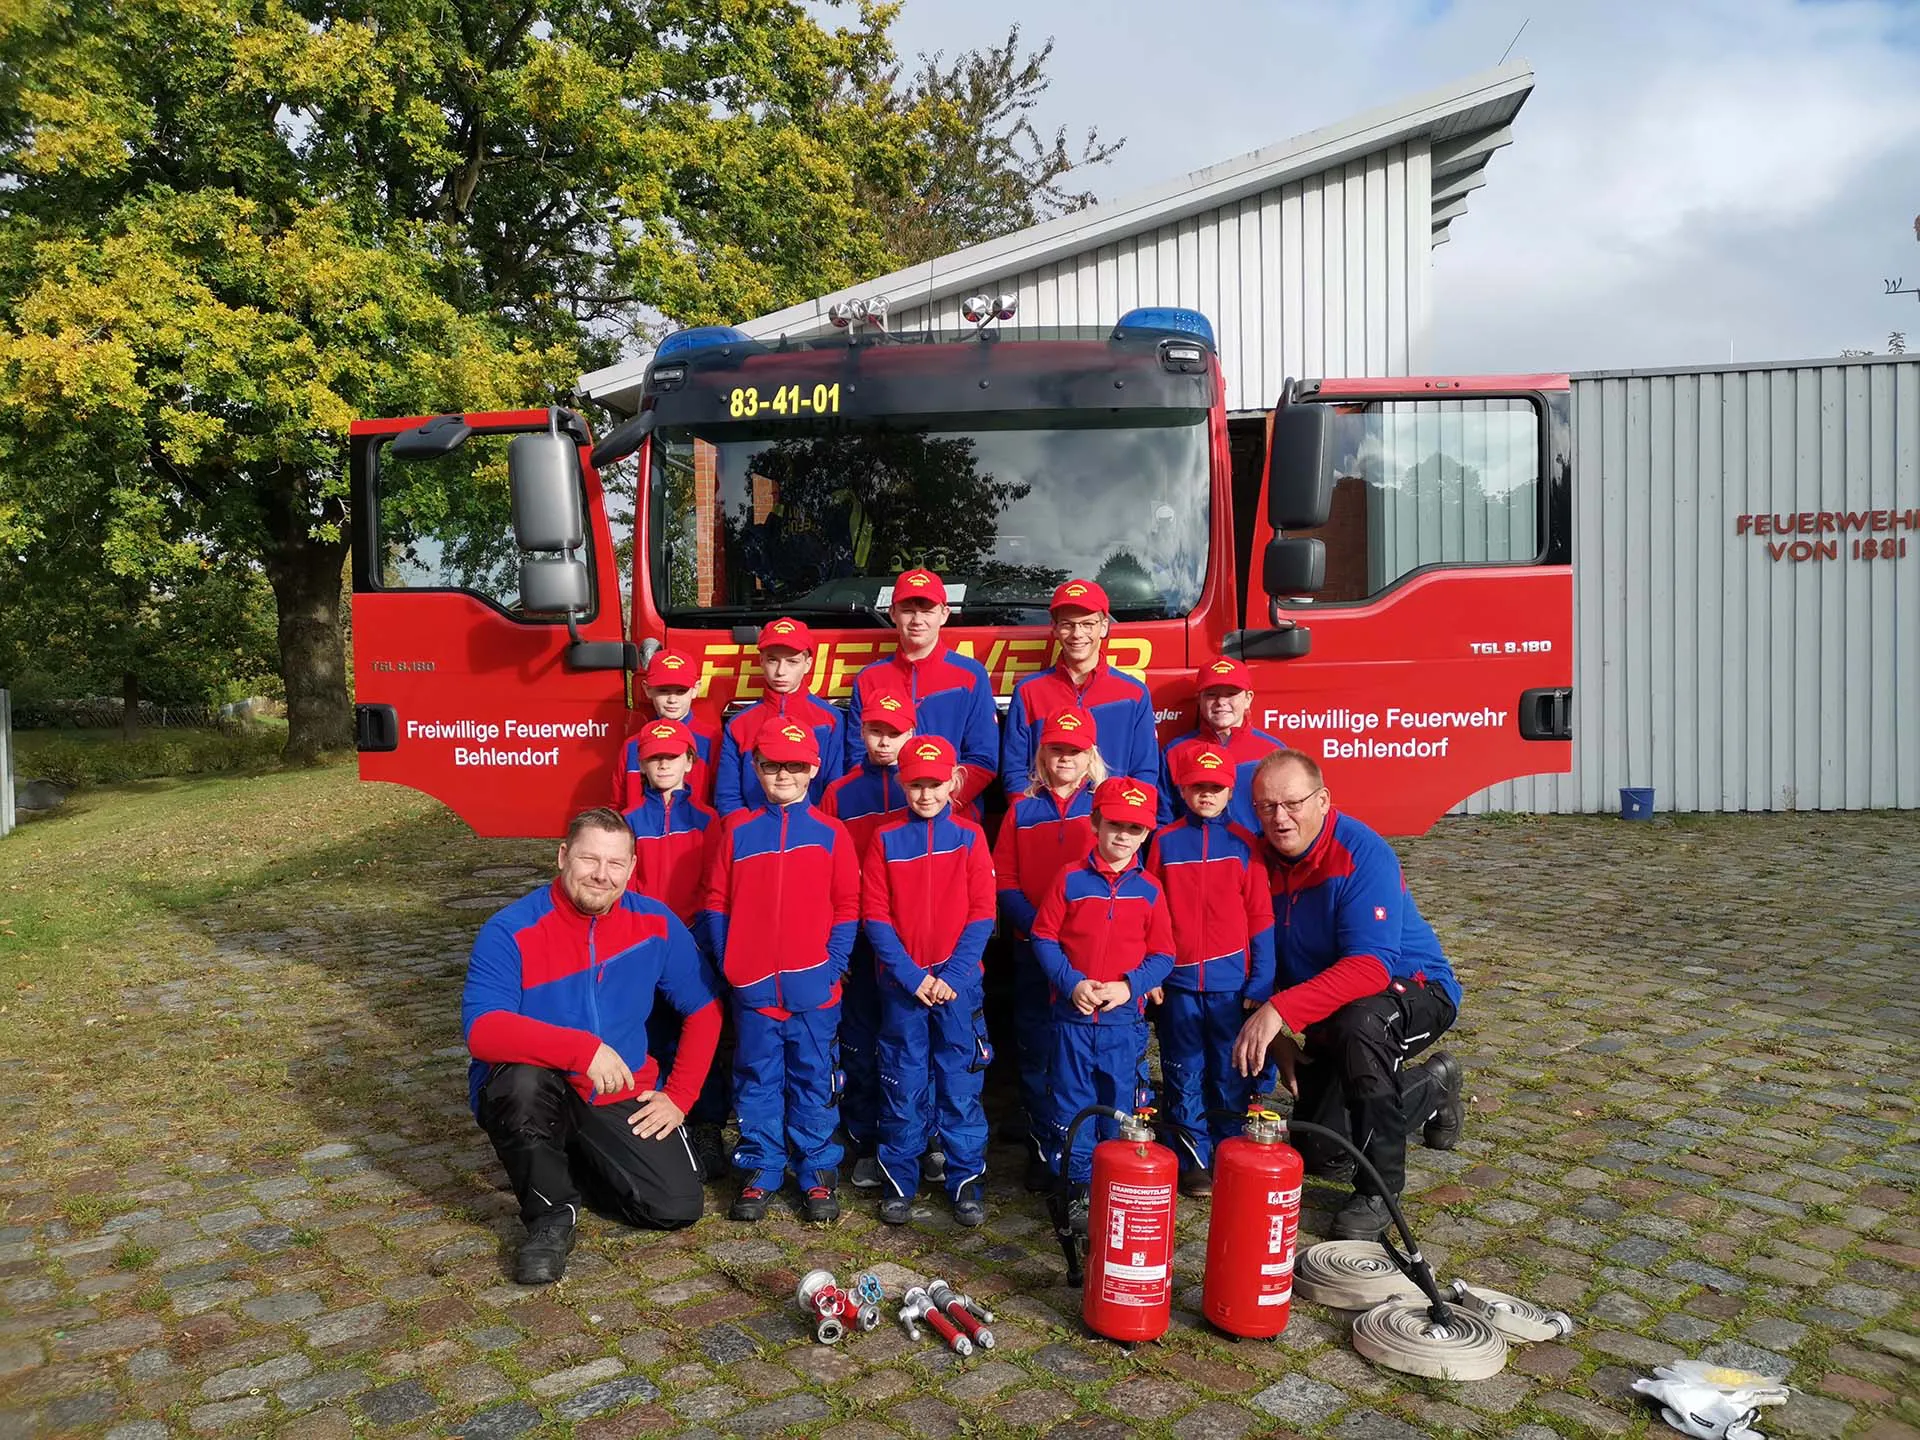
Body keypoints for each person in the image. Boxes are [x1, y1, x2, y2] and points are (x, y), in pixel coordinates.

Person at [461, 809, 719, 1284]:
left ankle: (568, 1161)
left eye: (615, 864)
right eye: (589, 859)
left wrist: (680, 1097)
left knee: (675, 1206)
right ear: (563, 857)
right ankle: (550, 1217)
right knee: (519, 1084)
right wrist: (582, 1051)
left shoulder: (656, 924)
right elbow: (483, 1030)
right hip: (543, 1083)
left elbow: (704, 1010)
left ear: (632, 867)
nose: (602, 874)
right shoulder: (509, 929)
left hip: (619, 1087)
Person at [1230, 750, 1465, 1241]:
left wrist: (1280, 1010)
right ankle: (1434, 1085)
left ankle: (1379, 1188)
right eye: (1266, 806)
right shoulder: (1253, 859)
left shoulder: (1362, 852)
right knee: (1322, 1154)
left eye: (1292, 803)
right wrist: (1277, 1040)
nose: (1280, 817)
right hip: (1330, 1009)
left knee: (1364, 1023)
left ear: (1323, 800)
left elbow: (1369, 967)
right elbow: (1242, 955)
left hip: (1412, 989)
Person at [699, 721, 860, 1223]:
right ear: (757, 769)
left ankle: (816, 1170)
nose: (783, 774)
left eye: (794, 765)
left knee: (815, 1078)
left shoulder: (833, 833)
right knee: (755, 1079)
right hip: (753, 990)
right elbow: (717, 901)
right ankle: (762, 1167)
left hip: (814, 990)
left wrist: (831, 966)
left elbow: (846, 904)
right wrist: (732, 963)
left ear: (813, 769)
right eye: (771, 765)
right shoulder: (738, 830)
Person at [860, 736, 996, 1227]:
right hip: (904, 990)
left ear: (952, 783)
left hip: (959, 990)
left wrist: (954, 975)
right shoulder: (885, 839)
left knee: (960, 1087)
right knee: (903, 1083)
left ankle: (965, 1181)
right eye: (916, 784)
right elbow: (874, 915)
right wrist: (913, 975)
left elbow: (983, 913)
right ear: (902, 783)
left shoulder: (970, 837)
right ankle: (899, 1180)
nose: (925, 794)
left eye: (935, 784)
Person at [1031, 777, 1175, 1219]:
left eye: (1134, 829)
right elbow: (1043, 936)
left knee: (1121, 1104)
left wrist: (1130, 985)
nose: (1123, 836)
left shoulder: (1150, 889)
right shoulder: (1070, 879)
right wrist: (1071, 981)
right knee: (1071, 1102)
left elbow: (1165, 952)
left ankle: (1115, 1185)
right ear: (1095, 822)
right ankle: (1074, 1186)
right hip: (1073, 1019)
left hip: (1122, 1025)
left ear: (1147, 833)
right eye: (1115, 824)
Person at [1144, 741, 1275, 1196]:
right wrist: (1151, 974)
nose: (1207, 794)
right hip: (1177, 983)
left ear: (1228, 791)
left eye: (1216, 788)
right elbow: (1152, 911)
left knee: (1228, 1070)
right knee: (1182, 1070)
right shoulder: (1163, 841)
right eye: (1198, 786)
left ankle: (1229, 1150)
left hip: (1230, 985)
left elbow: (1260, 915)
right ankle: (1192, 1156)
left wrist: (1262, 978)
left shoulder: (1245, 843)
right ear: (1182, 789)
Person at [992, 707, 1106, 1191]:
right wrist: (1040, 930)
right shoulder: (1022, 810)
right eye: (1056, 748)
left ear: (1090, 757)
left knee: (1083, 1054)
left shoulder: (1104, 809)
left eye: (1074, 751)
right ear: (1041, 754)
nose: (1064, 758)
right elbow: (1007, 880)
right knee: (1037, 1052)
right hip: (1033, 951)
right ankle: (1048, 1148)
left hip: (1088, 957)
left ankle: (1093, 1153)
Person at [620, 718, 729, 1178]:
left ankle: (707, 1124)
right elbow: (629, 888)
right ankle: (664, 1119)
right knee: (655, 1032)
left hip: (696, 942)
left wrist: (694, 940)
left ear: (690, 762)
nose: (663, 764)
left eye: (672, 756)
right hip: (646, 946)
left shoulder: (708, 821)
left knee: (705, 1030)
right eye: (654, 758)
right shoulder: (627, 824)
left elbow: (715, 886)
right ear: (641, 765)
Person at [821, 670, 916, 1190]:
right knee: (858, 1039)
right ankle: (862, 1134)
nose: (883, 741)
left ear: (910, 734)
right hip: (859, 936)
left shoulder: (923, 789)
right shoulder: (839, 794)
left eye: (894, 732)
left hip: (909, 941)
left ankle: (914, 1136)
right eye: (875, 731)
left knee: (907, 1041)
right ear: (862, 733)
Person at [843, 568, 999, 814]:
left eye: (927, 610)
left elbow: (983, 758)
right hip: (883, 819)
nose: (917, 620)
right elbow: (857, 757)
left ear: (944, 614)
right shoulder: (868, 679)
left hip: (953, 819)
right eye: (908, 610)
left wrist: (941, 804)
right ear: (892, 613)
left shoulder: (971, 676)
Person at [1000, 579, 1161, 812]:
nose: (1077, 634)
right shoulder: (1028, 692)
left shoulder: (1134, 694)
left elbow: (1144, 771)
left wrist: (1119, 822)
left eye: (1088, 624)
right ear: (1054, 628)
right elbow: (1015, 771)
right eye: (1067, 624)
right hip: (1045, 828)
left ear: (1103, 627)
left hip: (1110, 831)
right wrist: (1033, 819)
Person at [713, 618, 845, 813]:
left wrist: (818, 831)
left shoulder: (831, 719)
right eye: (773, 660)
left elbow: (835, 788)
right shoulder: (738, 724)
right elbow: (727, 795)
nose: (781, 671)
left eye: (792, 662)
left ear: (808, 664)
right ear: (761, 661)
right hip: (754, 837)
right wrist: (744, 832)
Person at [1159, 657, 1288, 834]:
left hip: (1254, 858)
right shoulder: (1175, 752)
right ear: (1199, 699)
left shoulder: (1274, 753)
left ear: (1248, 698)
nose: (1221, 702)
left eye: (1230, 694)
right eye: (1212, 694)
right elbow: (1162, 819)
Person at [614, 647, 720, 807]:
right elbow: (617, 805)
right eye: (663, 690)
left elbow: (722, 799)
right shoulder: (632, 745)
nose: (672, 699)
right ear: (647, 689)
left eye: (680, 691)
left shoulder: (713, 740)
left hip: (696, 830)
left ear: (695, 689)